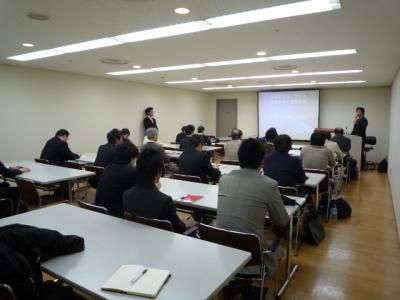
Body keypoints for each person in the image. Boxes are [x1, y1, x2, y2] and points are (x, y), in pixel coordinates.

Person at [216, 138, 289, 279]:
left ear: (239, 158)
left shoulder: (223, 180)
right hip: (253, 259)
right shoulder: (269, 185)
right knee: (279, 251)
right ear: (262, 161)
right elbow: (282, 221)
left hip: (223, 252)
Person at [123, 149, 191, 233]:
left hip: (138, 239)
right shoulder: (165, 201)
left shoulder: (127, 195)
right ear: (158, 173)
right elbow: (179, 228)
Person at [94, 144, 139, 218]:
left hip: (99, 211)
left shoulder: (107, 169)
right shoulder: (132, 172)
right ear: (131, 159)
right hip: (116, 216)